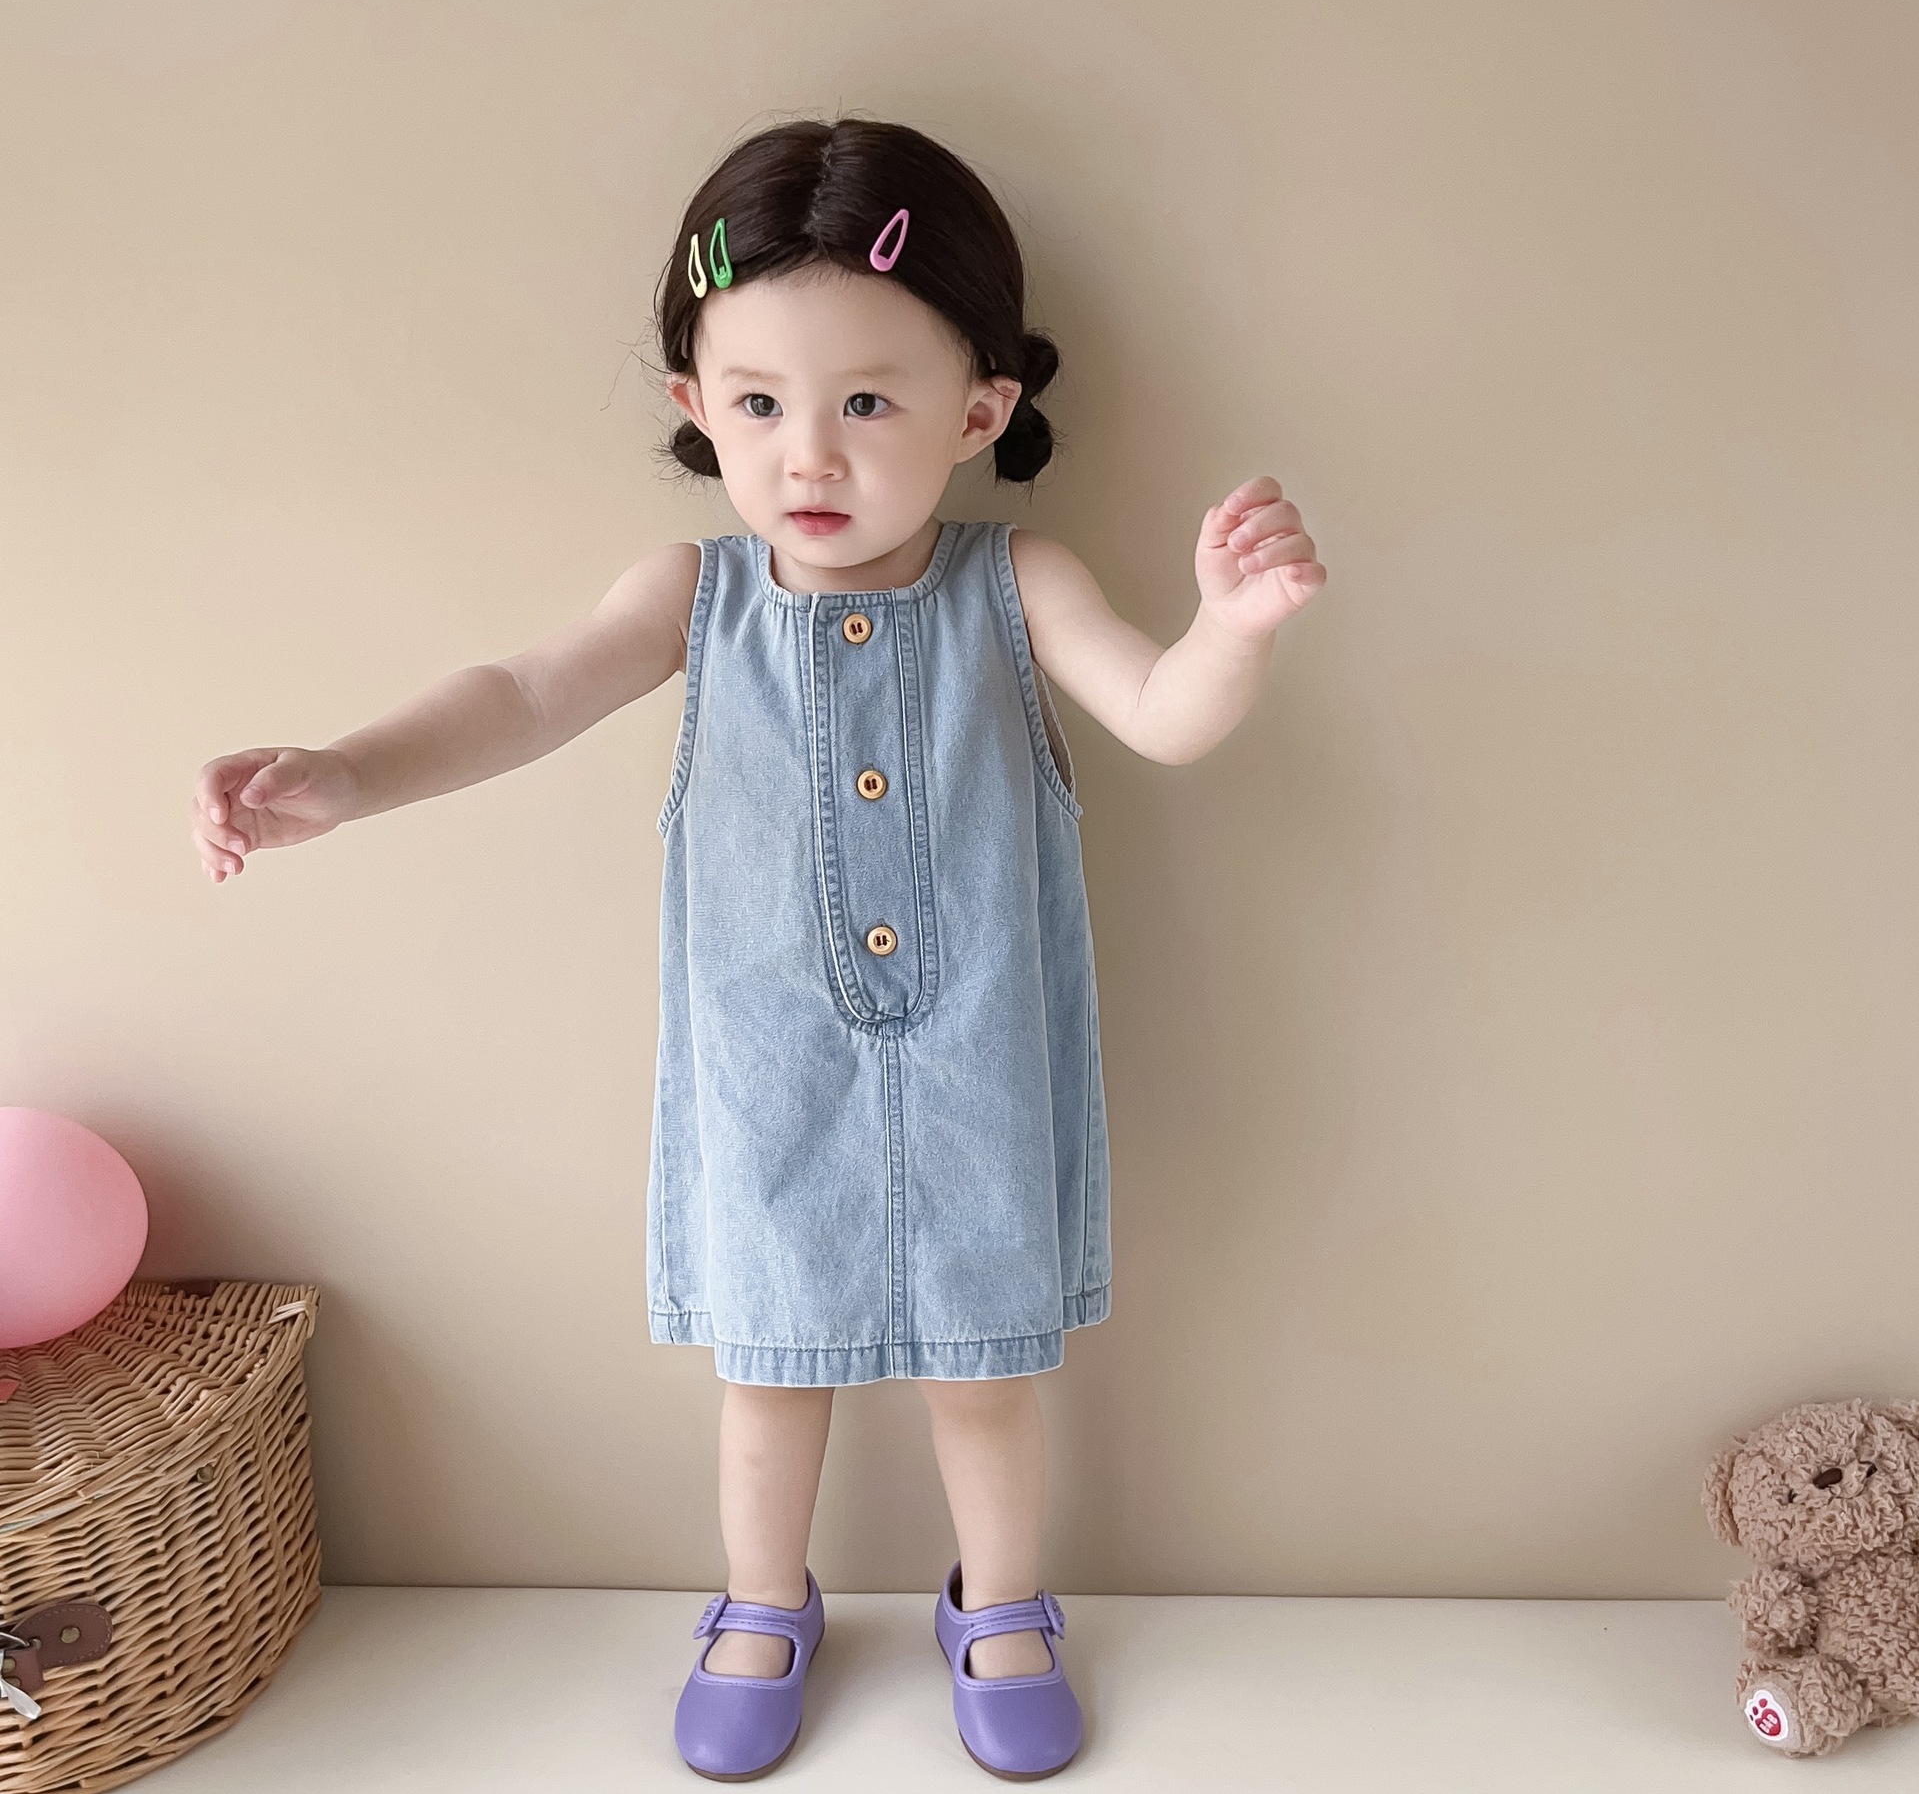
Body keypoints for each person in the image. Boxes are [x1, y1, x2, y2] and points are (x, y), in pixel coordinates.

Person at [189, 116, 1326, 1782]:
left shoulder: (1019, 582)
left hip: (977, 1061)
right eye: (760, 403)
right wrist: (347, 774)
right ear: (695, 405)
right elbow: (521, 693)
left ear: (979, 411)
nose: (811, 455)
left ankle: (1004, 1604)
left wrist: (1230, 630)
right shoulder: (693, 597)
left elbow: (1160, 713)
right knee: (772, 1369)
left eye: (867, 402)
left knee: (985, 1373)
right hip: (771, 1070)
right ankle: (760, 1603)